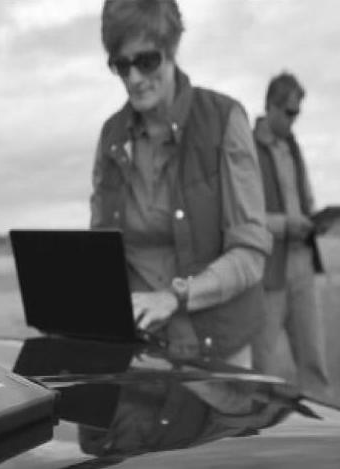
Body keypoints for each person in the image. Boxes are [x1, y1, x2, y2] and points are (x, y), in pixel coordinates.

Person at [91, 0, 272, 367]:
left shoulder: (224, 119)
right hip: (139, 351)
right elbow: (100, 250)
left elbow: (250, 254)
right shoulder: (111, 136)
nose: (134, 78)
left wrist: (175, 297)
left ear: (171, 50)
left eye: (146, 61)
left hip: (216, 350)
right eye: (121, 65)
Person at [251, 73, 329, 393]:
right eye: (289, 112)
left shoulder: (293, 146)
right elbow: (244, 217)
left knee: (314, 363)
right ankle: (257, 421)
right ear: (270, 106)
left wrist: (315, 220)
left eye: (297, 113)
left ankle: (321, 423)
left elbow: (305, 198)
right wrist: (285, 225)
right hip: (269, 273)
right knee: (260, 367)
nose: (293, 120)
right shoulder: (248, 149)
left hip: (302, 267)